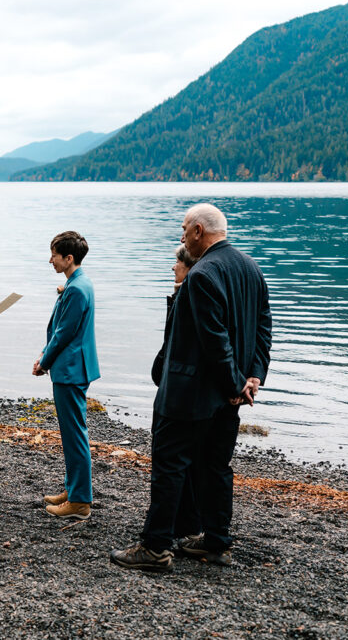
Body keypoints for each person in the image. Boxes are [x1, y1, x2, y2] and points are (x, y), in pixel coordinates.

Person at [111, 203, 272, 571]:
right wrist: (252, 378)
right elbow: (263, 328)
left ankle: (155, 548)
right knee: (215, 469)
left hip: (189, 396)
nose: (181, 237)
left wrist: (236, 381)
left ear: (199, 230)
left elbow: (214, 339)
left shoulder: (202, 274)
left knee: (169, 467)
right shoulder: (252, 267)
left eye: (184, 230)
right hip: (228, 398)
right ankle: (216, 543)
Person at [33, 231, 100, 520]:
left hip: (70, 369)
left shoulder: (75, 289)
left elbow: (64, 333)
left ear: (68, 258)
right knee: (72, 433)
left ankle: (80, 501)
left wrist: (44, 361)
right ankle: (73, 489)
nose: (50, 260)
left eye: (54, 255)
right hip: (74, 366)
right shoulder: (80, 282)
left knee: (74, 436)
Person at [149, 244, 202, 545]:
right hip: (175, 385)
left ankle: (165, 536)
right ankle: (187, 524)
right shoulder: (182, 294)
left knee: (171, 460)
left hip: (179, 391)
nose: (173, 267)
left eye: (177, 262)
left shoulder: (189, 295)